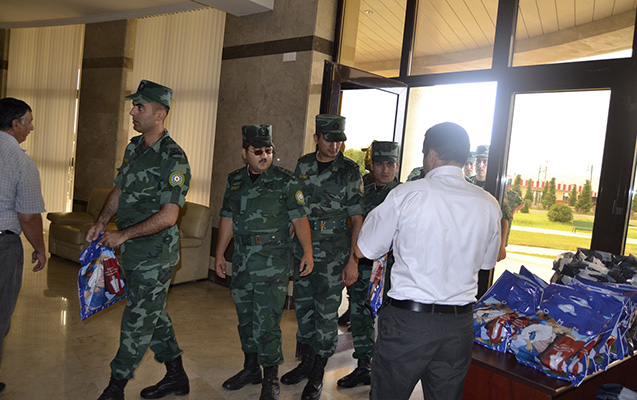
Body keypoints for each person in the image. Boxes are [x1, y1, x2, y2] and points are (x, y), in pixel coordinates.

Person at [356, 122, 501, 400]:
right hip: (458, 326)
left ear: (431, 155)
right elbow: (487, 263)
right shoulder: (488, 203)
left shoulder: (407, 194)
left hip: (409, 323)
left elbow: (365, 249)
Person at [86, 80, 191, 400]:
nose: (132, 112)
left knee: (137, 318)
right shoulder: (134, 147)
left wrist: (123, 234)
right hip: (131, 251)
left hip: (156, 254)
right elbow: (119, 190)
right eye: (133, 106)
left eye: (139, 107)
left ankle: (115, 386)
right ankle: (177, 375)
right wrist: (102, 221)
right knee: (152, 312)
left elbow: (169, 216)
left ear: (160, 114)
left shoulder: (173, 157)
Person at [214, 124, 314, 400]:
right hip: (243, 259)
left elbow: (299, 218)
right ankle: (250, 369)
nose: (264, 156)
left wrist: (308, 252)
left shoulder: (286, 181)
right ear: (244, 153)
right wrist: (220, 253)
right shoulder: (235, 180)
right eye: (257, 151)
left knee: (267, 321)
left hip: (273, 260)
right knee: (245, 317)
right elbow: (227, 217)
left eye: (268, 150)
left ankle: (270, 377)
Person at [281, 114, 364, 400]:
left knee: (326, 315)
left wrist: (353, 260)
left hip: (333, 255)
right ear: (316, 138)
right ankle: (306, 363)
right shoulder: (303, 165)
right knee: (304, 309)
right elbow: (294, 207)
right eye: (329, 139)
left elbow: (357, 218)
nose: (334, 145)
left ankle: (318, 373)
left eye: (339, 140)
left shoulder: (349, 170)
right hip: (303, 250)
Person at [337, 140, 400, 389]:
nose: (385, 170)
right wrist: (350, 261)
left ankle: (385, 372)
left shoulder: (404, 195)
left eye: (390, 164)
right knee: (359, 317)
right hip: (363, 266)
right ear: (371, 165)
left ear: (396, 166)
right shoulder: (363, 190)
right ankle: (364, 367)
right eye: (380, 164)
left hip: (392, 271)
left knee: (389, 324)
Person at [0, 98, 47, 394]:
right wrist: (40, 249)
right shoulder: (21, 162)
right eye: (29, 122)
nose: (31, 128)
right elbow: (28, 217)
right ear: (15, 124)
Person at [468, 145, 523, 261]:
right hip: (469, 240)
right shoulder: (468, 183)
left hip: (487, 242)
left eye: (485, 161)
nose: (481, 165)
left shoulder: (496, 188)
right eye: (478, 161)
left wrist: (502, 245)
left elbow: (505, 218)